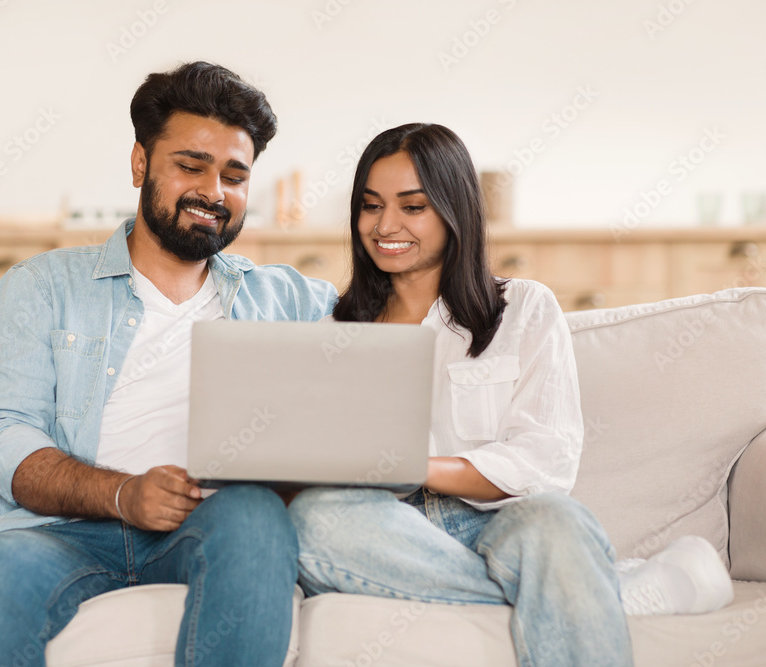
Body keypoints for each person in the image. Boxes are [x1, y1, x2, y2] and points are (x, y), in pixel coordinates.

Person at [0, 61, 337, 667]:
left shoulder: (293, 300)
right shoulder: (42, 287)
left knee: (254, 516)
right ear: (141, 163)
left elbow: (403, 340)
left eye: (234, 175)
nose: (214, 193)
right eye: (191, 166)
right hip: (61, 534)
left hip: (210, 529)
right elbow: (3, 436)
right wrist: (123, 495)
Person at [287, 123, 734, 667]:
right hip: (395, 532)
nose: (386, 226)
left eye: (413, 207)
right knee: (313, 520)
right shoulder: (333, 326)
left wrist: (420, 467)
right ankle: (600, 590)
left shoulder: (523, 309)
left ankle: (566, 577)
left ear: (455, 211)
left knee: (555, 521)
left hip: (502, 520)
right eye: (371, 206)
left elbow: (546, 459)